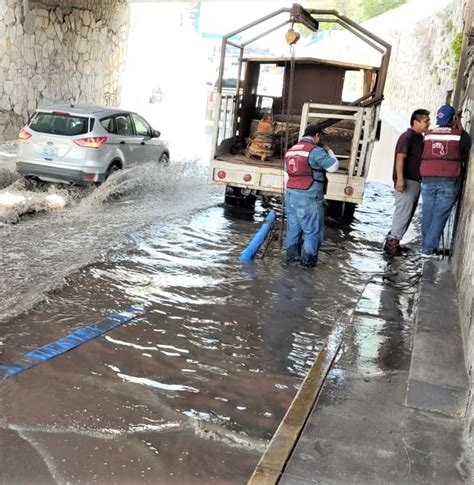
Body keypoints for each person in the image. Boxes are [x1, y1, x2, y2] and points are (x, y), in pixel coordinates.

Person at [420, 104, 472, 257]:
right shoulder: (460, 135)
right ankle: (428, 250)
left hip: (428, 179)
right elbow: (464, 153)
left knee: (428, 213)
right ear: (453, 118)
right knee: (439, 216)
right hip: (449, 179)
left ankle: (426, 247)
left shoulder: (428, 134)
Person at [284, 124, 338, 267]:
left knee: (293, 231)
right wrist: (329, 150)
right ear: (317, 136)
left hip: (290, 196)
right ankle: (307, 266)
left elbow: (286, 175)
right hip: (309, 198)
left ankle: (290, 261)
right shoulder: (315, 151)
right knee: (312, 232)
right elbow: (333, 167)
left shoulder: (291, 150)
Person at [384, 109, 431, 256]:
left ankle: (395, 242)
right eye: (426, 121)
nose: (428, 124)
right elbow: (400, 157)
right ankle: (392, 244)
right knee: (403, 212)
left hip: (415, 181)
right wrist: (400, 179)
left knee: (408, 213)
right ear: (415, 122)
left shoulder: (418, 138)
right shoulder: (407, 137)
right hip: (407, 181)